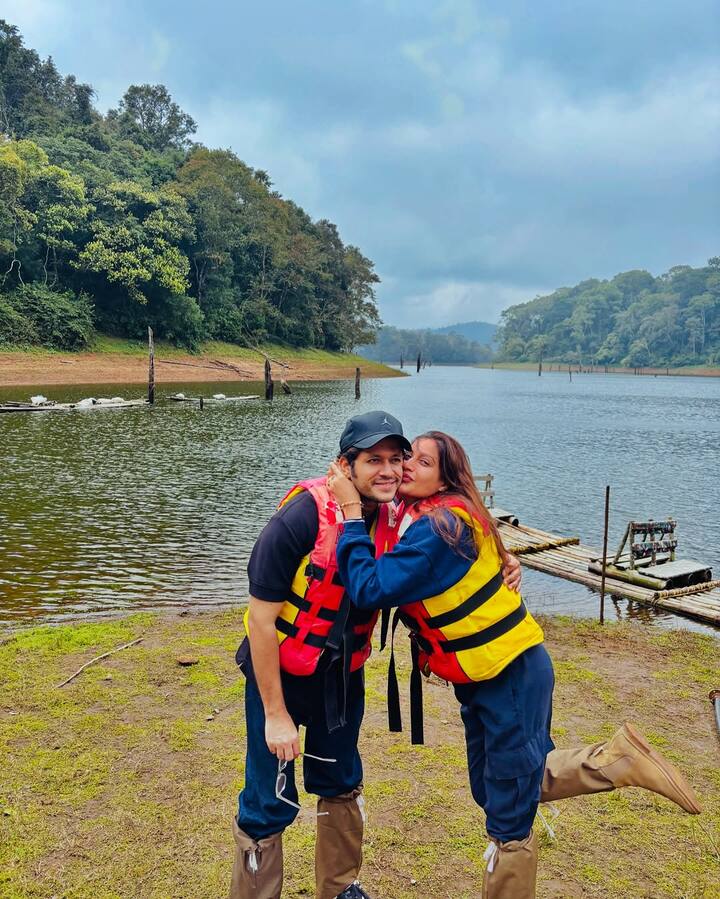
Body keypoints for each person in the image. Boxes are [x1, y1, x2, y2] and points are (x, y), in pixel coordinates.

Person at [327, 430, 701, 899]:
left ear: (445, 480)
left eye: (420, 463)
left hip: (511, 675)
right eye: (407, 458)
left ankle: (609, 772)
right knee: (494, 786)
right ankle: (616, 761)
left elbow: (370, 589)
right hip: (487, 678)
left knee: (508, 813)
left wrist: (349, 515)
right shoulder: (427, 516)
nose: (404, 468)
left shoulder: (442, 526)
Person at [230, 412, 524, 899]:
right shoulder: (300, 516)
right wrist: (276, 715)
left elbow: (457, 529)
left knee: (341, 779)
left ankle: (341, 888)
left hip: (342, 677)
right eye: (373, 461)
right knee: (267, 800)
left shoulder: (400, 516)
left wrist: (506, 560)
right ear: (346, 466)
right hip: (282, 677)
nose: (388, 471)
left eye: (396, 459)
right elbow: (260, 623)